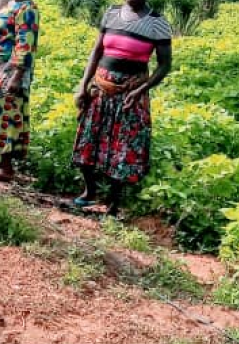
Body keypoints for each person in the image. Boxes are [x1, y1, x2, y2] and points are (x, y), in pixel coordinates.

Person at [71, 0, 172, 217]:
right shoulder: (112, 13)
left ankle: (114, 203)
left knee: (123, 145)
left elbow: (165, 65)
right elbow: (97, 51)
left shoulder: (157, 23)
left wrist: (141, 90)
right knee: (89, 138)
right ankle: (90, 192)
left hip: (131, 94)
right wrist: (83, 85)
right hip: (101, 88)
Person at [0, 0, 40, 182]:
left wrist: (18, 74)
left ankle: (6, 168)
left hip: (11, 69)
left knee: (4, 114)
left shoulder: (27, 8)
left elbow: (26, 41)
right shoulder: (8, 4)